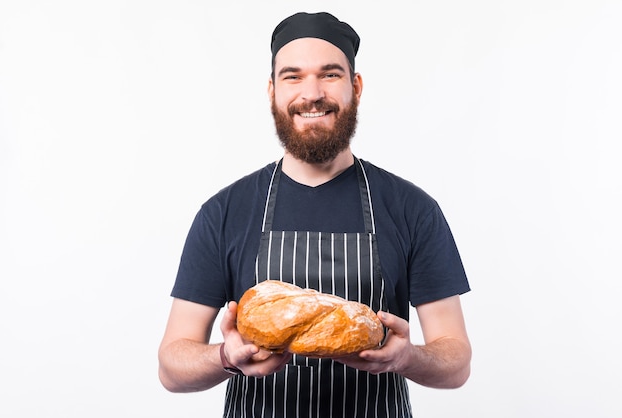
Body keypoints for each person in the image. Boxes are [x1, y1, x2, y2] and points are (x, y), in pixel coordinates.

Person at [158, 11, 472, 418]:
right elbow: (171, 367)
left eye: (330, 74)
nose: (312, 93)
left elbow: (458, 363)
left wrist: (406, 357)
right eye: (293, 76)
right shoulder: (224, 212)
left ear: (355, 87)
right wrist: (226, 356)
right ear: (272, 91)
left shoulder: (412, 209)